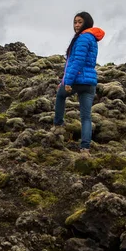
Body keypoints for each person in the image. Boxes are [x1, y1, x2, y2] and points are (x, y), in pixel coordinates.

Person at [52, 11, 105, 158]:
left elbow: (77, 62)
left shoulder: (83, 38)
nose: (76, 25)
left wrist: (67, 82)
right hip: (90, 82)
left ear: (86, 23)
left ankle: (58, 126)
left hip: (78, 79)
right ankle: (85, 149)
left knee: (60, 95)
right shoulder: (92, 38)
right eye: (75, 22)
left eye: (79, 22)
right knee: (86, 117)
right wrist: (64, 80)